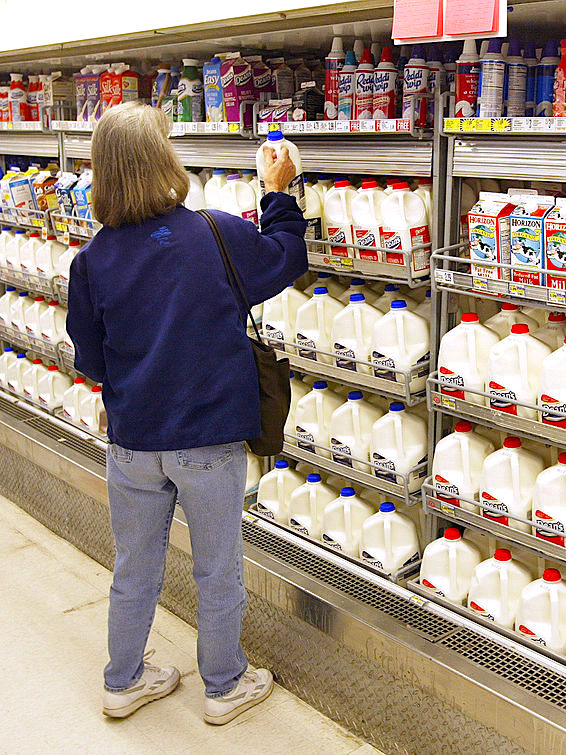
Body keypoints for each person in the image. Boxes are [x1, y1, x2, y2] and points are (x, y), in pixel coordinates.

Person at [66, 101, 308, 725]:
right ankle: (224, 685)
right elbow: (284, 257)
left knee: (134, 567)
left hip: (134, 442)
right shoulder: (214, 233)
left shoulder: (91, 261)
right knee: (217, 568)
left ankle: (123, 681)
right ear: (164, 160)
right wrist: (278, 192)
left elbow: (89, 361)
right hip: (209, 439)